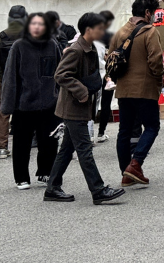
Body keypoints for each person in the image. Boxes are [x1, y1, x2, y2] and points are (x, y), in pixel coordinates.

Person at [44, 13, 124, 204]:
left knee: (66, 149)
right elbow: (61, 75)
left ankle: (52, 188)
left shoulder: (89, 47)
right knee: (84, 149)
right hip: (74, 107)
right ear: (88, 30)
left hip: (81, 105)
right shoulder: (76, 50)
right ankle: (98, 190)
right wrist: (82, 92)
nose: (102, 31)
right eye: (99, 28)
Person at [0, 13, 61, 189]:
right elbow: (10, 77)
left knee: (49, 141)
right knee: (21, 143)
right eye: (33, 23)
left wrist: (58, 97)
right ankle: (21, 177)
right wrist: (8, 105)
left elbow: (60, 72)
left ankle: (45, 172)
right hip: (23, 105)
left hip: (49, 104)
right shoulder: (19, 46)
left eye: (40, 24)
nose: (36, 27)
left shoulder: (52, 44)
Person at [109, 0, 164, 187]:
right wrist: (159, 80)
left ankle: (126, 173)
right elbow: (156, 61)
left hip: (123, 90)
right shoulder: (150, 32)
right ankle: (136, 163)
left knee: (124, 131)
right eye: (154, 12)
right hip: (145, 89)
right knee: (152, 127)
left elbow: (110, 59)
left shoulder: (120, 32)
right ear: (148, 13)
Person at [0, 5, 27, 159]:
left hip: (4, 81)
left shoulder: (0, 37)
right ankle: (22, 145)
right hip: (25, 82)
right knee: (24, 113)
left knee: (3, 114)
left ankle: (2, 148)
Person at [96, 10, 115, 143]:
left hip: (95, 74)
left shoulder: (91, 34)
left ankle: (93, 132)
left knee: (93, 103)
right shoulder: (110, 36)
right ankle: (101, 132)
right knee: (105, 103)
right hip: (108, 73)